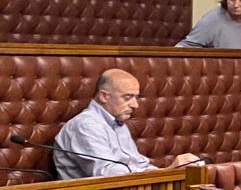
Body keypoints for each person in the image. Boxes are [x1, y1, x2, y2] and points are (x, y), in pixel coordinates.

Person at [54, 69, 203, 179]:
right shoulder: (86, 126)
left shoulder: (117, 122)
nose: (135, 105)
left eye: (136, 97)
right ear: (104, 96)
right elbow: (107, 174)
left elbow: (139, 164)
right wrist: (167, 173)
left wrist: (168, 172)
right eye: (127, 98)